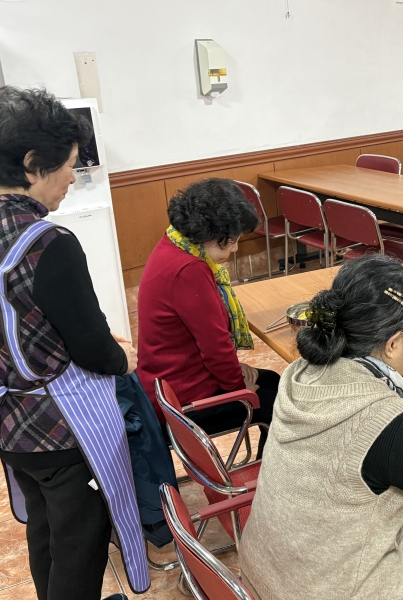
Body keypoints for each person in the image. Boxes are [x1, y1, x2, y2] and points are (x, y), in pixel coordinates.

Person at [239, 255, 403, 600]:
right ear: (393, 344)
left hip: (269, 569)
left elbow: (378, 438)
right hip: (317, 590)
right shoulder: (385, 421)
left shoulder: (302, 371)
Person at [0, 87, 147, 599]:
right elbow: (92, 349)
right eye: (66, 166)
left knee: (44, 533)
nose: (72, 177)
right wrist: (121, 356)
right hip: (62, 432)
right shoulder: (48, 245)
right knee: (80, 547)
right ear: (31, 165)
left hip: (11, 425)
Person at [137, 178, 280, 457]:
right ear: (212, 233)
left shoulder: (173, 243)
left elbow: (210, 345)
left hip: (165, 383)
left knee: (272, 380)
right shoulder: (190, 270)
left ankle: (266, 466)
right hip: (182, 402)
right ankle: (271, 475)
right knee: (279, 405)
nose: (235, 248)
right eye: (232, 240)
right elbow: (216, 347)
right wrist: (239, 389)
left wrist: (235, 371)